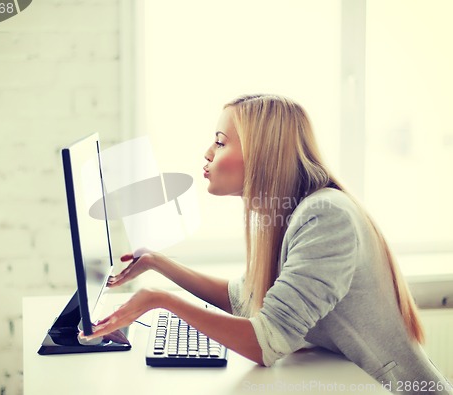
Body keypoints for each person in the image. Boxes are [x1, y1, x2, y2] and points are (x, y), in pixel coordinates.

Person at [83, 94, 452, 394]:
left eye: (220, 142)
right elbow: (243, 298)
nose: (207, 153)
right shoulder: (291, 214)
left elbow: (264, 343)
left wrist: (160, 300)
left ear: (262, 153)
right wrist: (159, 263)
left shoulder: (326, 217)